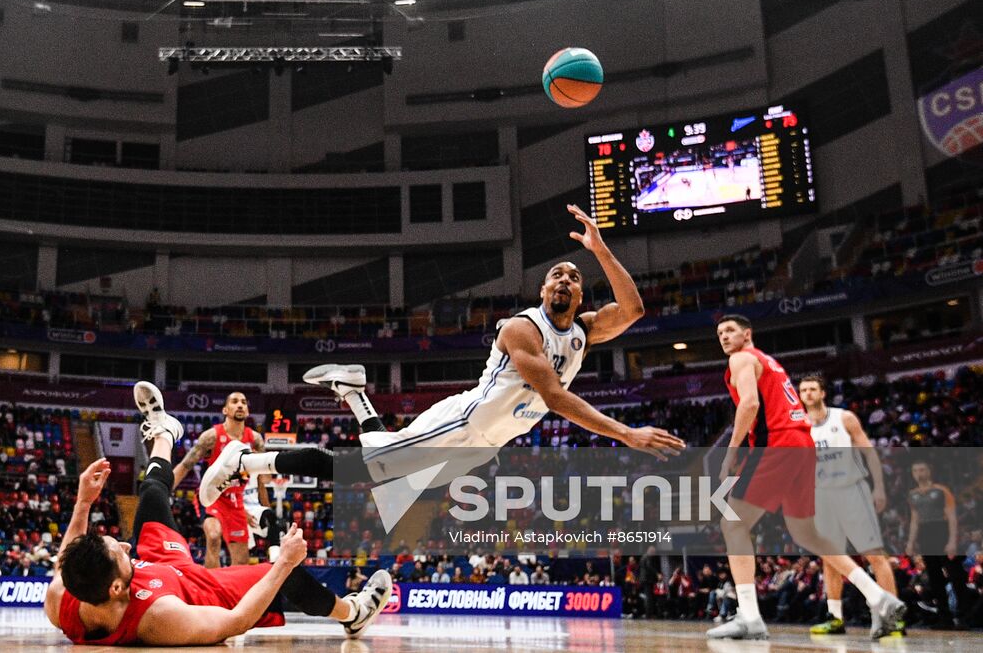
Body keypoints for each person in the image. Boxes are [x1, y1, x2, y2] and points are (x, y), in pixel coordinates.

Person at [198, 206, 684, 502]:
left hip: (485, 443)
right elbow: (555, 397)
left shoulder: (582, 332)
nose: (564, 279)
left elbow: (634, 308)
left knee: (385, 478)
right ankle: (247, 461)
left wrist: (598, 249)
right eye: (556, 274)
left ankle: (352, 394)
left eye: (573, 277)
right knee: (363, 469)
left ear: (581, 296)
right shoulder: (522, 328)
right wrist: (626, 433)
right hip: (463, 423)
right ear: (542, 288)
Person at [44, 382, 392, 646]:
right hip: (197, 588)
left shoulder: (63, 600)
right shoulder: (161, 619)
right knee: (282, 576)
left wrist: (83, 502)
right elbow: (237, 621)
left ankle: (163, 430)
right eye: (117, 551)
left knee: (151, 492)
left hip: (163, 561)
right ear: (119, 587)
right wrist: (283, 563)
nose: (124, 544)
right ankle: (354, 614)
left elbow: (67, 560)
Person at [707, 315, 906, 640]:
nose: (724, 337)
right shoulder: (770, 362)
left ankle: (749, 617)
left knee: (733, 523)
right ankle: (878, 597)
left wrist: (731, 452)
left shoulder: (742, 358)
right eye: (719, 333)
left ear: (748, 333)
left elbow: (750, 404)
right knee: (807, 533)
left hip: (779, 444)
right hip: (803, 444)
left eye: (730, 331)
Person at [798, 373, 902, 639]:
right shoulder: (798, 426)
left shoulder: (843, 418)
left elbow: (869, 452)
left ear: (823, 393)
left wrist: (878, 487)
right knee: (831, 560)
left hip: (852, 491)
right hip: (821, 496)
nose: (807, 393)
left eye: (812, 389)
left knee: (874, 554)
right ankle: (835, 618)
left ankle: (892, 617)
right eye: (803, 390)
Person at [172, 392, 270, 567]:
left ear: (247, 412)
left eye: (243, 402)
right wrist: (163, 488)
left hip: (236, 500)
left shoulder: (255, 440)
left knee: (241, 561)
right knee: (214, 535)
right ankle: (211, 590)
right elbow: (186, 465)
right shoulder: (211, 436)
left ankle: (235, 593)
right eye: (234, 402)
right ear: (225, 409)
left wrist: (266, 509)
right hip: (211, 496)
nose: (240, 405)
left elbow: (264, 480)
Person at [906, 459, 971, 628]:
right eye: (915, 470)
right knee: (935, 578)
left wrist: (951, 541)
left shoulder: (942, 490)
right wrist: (911, 542)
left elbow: (951, 516)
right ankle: (945, 619)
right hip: (925, 535)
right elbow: (915, 520)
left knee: (955, 575)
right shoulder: (912, 494)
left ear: (929, 471)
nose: (919, 473)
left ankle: (964, 617)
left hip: (942, 531)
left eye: (922, 469)